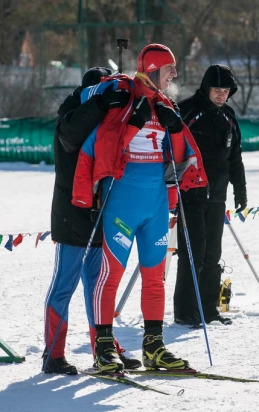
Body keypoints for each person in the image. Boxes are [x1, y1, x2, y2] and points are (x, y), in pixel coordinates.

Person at [72, 44, 208, 373]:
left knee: (155, 279)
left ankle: (154, 347)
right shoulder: (124, 100)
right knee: (110, 276)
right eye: (169, 68)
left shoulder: (165, 106)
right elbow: (98, 145)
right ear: (152, 69)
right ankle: (104, 347)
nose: (174, 74)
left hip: (157, 206)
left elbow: (176, 159)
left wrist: (174, 128)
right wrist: (134, 121)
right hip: (123, 202)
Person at [43, 67, 142, 375]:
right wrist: (100, 103)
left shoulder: (106, 123)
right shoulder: (70, 117)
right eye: (102, 92)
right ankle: (53, 354)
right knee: (64, 285)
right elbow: (73, 138)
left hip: (100, 212)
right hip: (71, 214)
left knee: (98, 287)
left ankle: (105, 349)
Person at [173, 64, 247, 327]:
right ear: (206, 88)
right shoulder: (186, 111)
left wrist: (240, 189)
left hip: (217, 196)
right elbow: (170, 153)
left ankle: (208, 308)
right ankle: (185, 310)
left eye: (225, 91)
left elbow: (235, 158)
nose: (221, 95)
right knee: (193, 253)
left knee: (213, 254)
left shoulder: (228, 116)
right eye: (216, 90)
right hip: (190, 195)